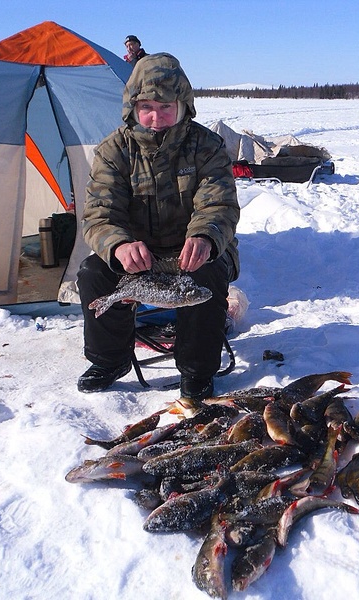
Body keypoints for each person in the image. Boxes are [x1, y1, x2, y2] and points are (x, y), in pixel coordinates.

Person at [77, 53, 240, 400]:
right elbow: (98, 213)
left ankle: (197, 371)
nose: (156, 117)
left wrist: (205, 237)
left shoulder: (207, 147)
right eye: (147, 106)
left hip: (192, 250)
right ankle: (110, 359)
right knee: (93, 272)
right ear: (132, 107)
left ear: (183, 105)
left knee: (208, 274)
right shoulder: (112, 151)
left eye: (166, 106)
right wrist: (119, 244)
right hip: (140, 253)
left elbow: (219, 205)